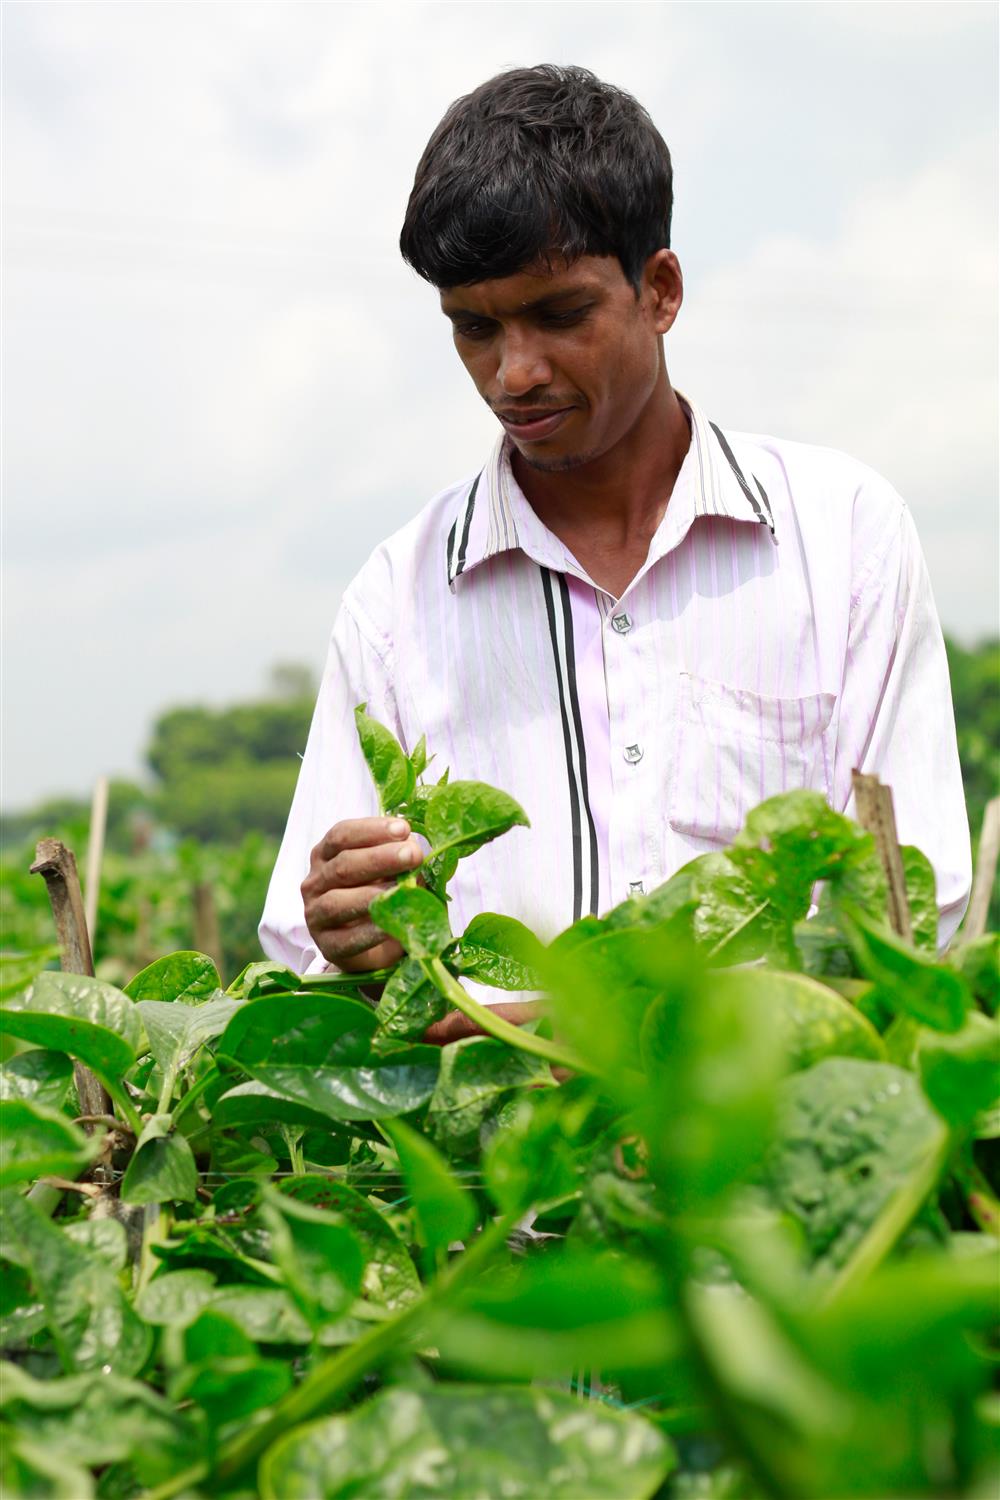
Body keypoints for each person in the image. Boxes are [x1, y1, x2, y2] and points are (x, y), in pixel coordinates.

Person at [259, 64, 971, 1025]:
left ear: (661, 290)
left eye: (560, 316)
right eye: (473, 327)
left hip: (776, 1151)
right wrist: (348, 940)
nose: (515, 372)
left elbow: (909, 919)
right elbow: (318, 969)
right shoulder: (398, 602)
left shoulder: (843, 538)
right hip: (500, 1172)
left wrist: (579, 1030)